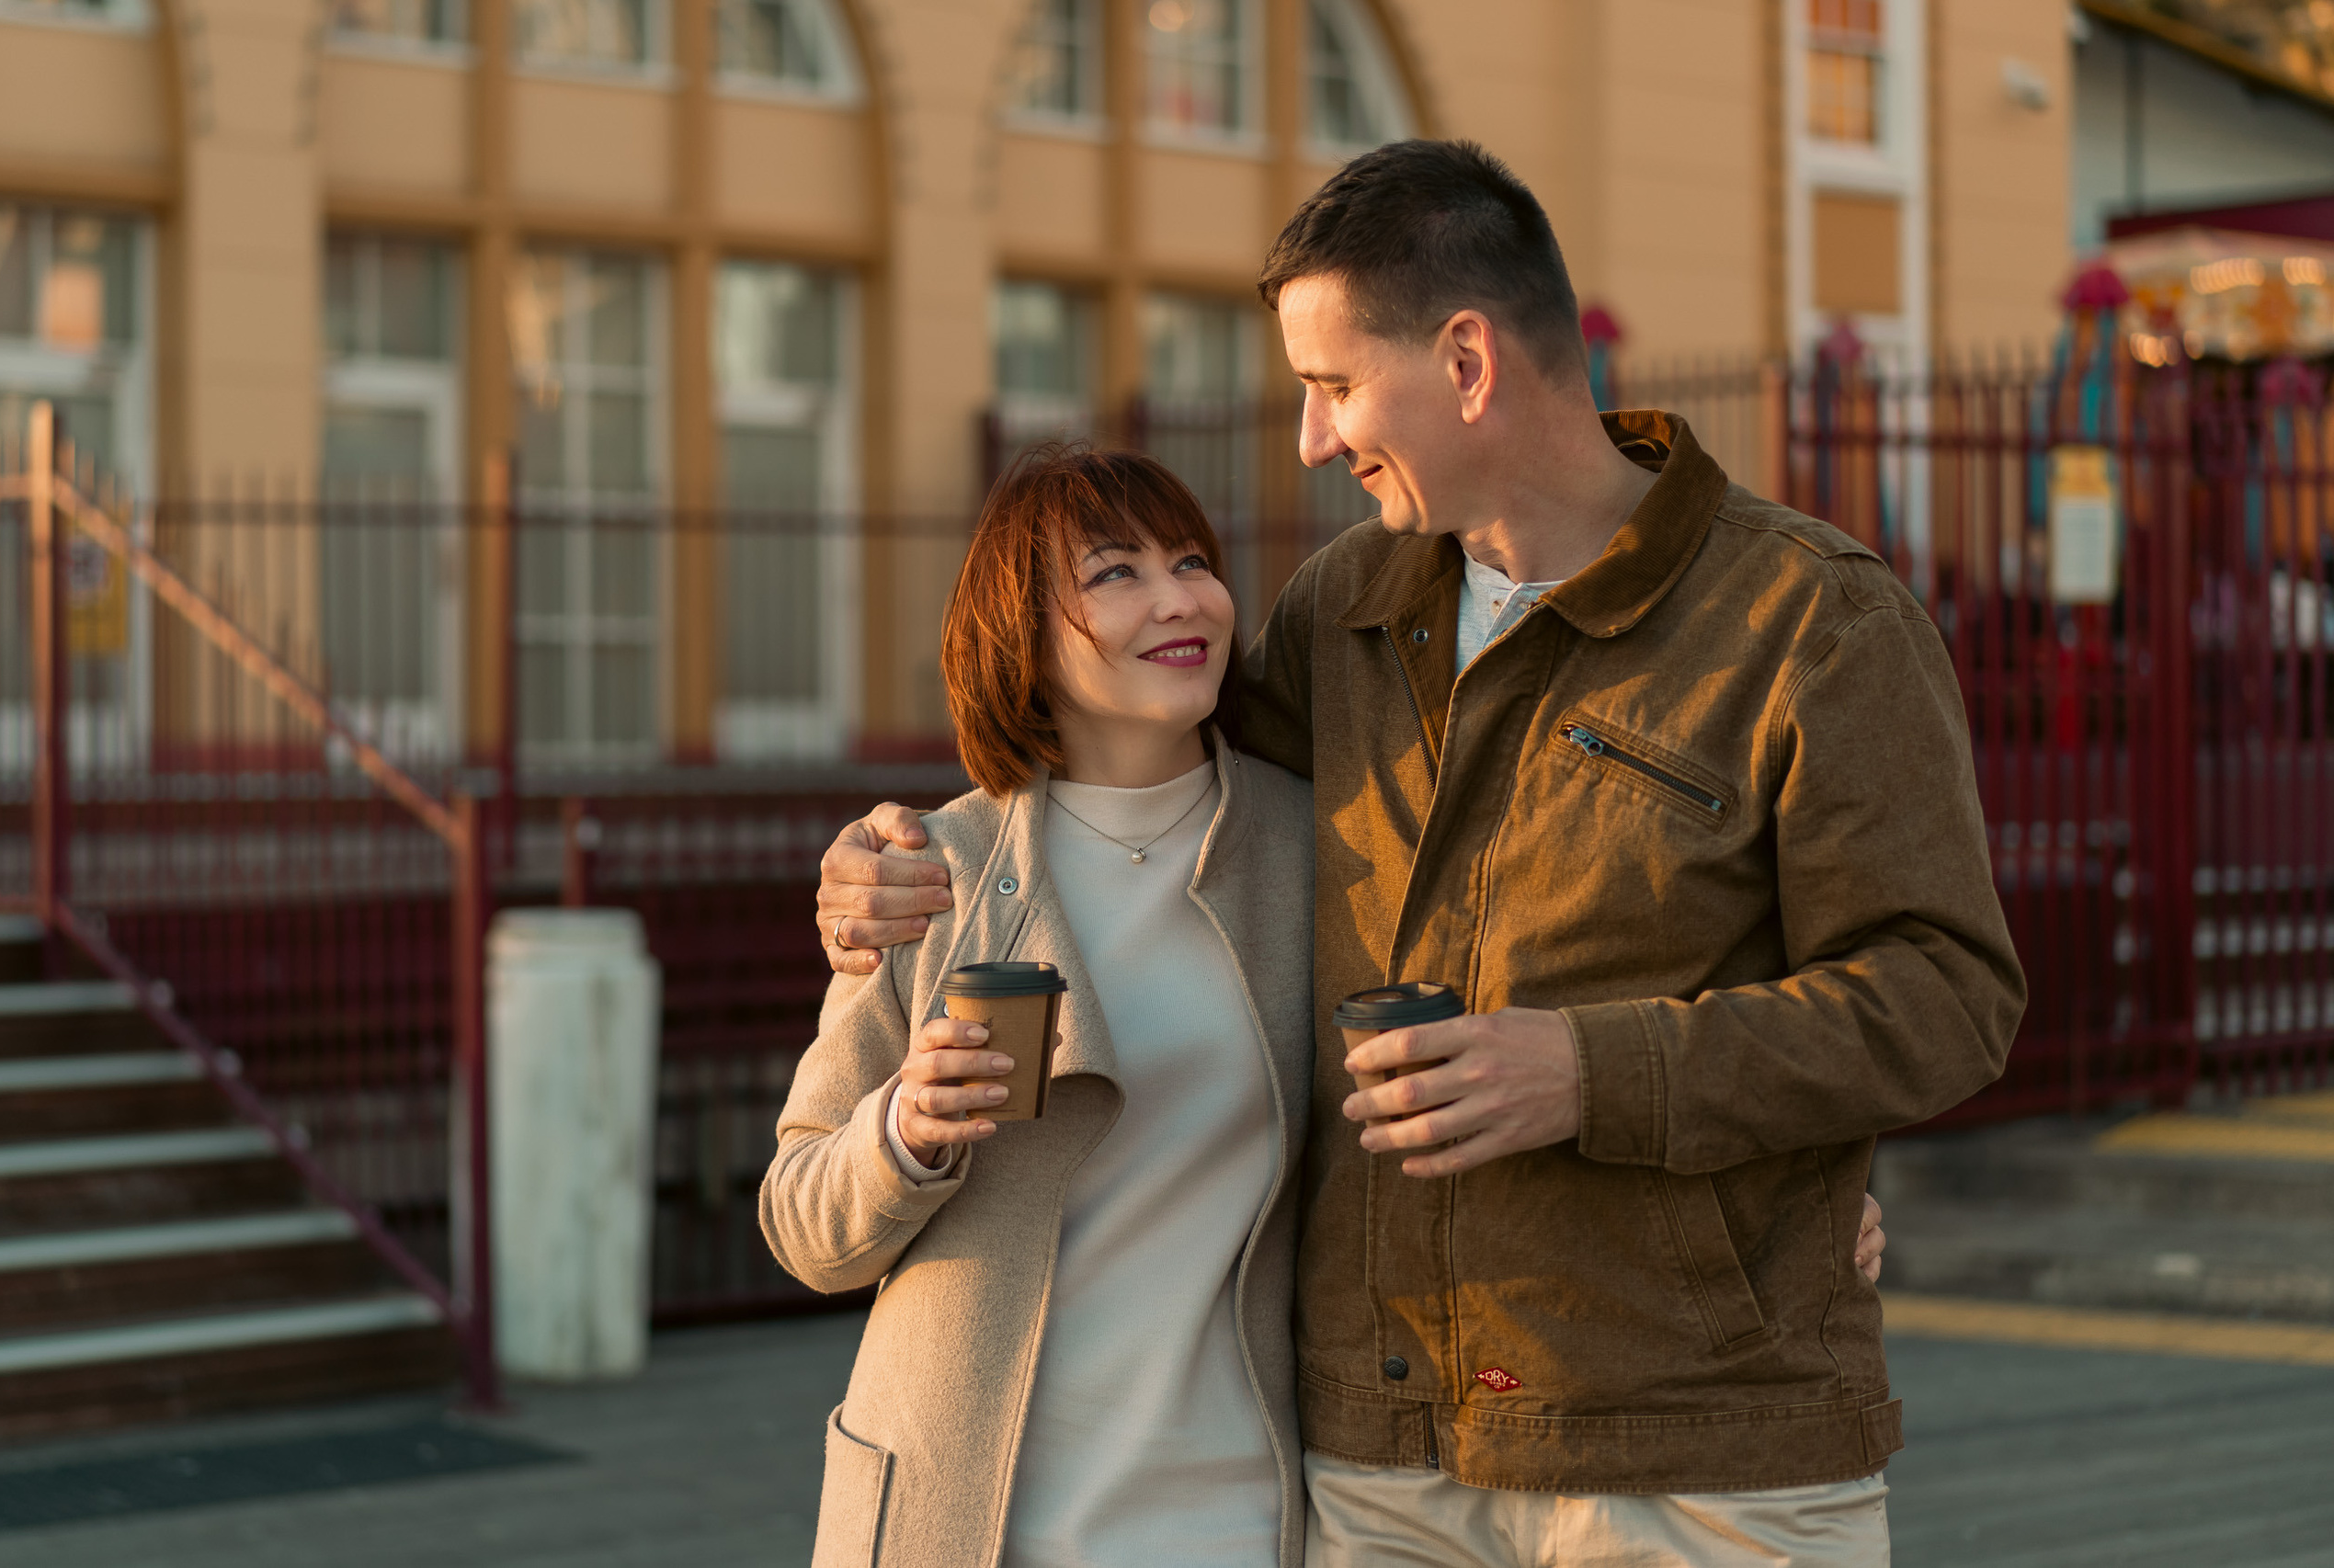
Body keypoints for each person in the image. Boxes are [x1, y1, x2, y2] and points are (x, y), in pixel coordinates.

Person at [813, 140, 2013, 1566]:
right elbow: (1127, 778)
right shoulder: (1348, 611)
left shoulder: (1812, 622)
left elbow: (1946, 997)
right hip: (1379, 1468)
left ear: (1466, 361)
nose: (1313, 438)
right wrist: (884, 859)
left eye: (1330, 385)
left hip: (1696, 1455)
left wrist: (1587, 1072)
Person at [760, 448, 1317, 1568]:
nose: (1179, 598)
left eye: (1192, 560)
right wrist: (903, 1131)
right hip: (963, 1518)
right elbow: (801, 1222)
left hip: (1231, 1515)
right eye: (1115, 573)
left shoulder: (1316, 851)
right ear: (1024, 634)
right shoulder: (934, 866)